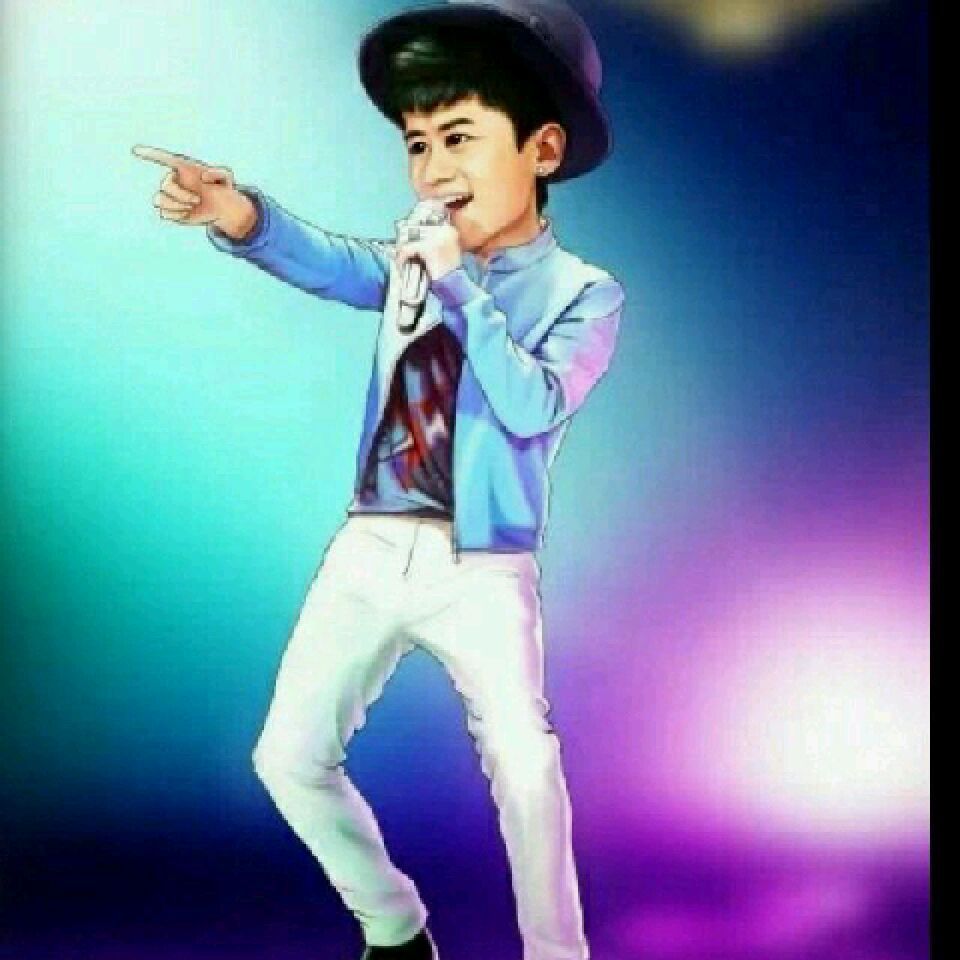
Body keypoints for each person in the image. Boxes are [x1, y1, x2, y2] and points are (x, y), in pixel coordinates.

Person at [133, 2, 623, 957]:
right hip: (369, 542)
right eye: (417, 143)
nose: (434, 169)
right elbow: (337, 266)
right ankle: (395, 930)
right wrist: (240, 214)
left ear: (543, 148)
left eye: (460, 137)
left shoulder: (584, 295)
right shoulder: (413, 256)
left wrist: (458, 286)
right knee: (287, 758)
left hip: (481, 565)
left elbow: (531, 406)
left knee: (525, 768)